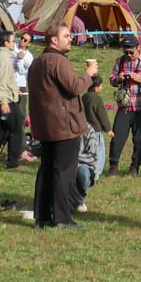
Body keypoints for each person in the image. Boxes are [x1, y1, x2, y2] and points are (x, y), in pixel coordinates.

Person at [27, 22, 98, 229]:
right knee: (64, 173)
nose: (71, 38)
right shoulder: (58, 61)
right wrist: (88, 74)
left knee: (47, 170)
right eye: (66, 35)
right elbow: (75, 88)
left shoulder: (38, 62)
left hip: (45, 126)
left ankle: (43, 217)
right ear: (54, 40)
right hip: (64, 126)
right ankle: (62, 218)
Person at [107, 34, 141, 176]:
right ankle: (113, 167)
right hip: (124, 106)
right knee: (117, 137)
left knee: (138, 139)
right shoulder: (120, 61)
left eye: (131, 51)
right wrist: (119, 79)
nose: (129, 54)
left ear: (138, 48)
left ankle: (135, 167)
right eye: (126, 52)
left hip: (140, 106)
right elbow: (112, 80)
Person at [0, 30, 33, 167]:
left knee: (1, 133)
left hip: (1, 100)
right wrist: (4, 101)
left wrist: (13, 89)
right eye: (13, 40)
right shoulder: (3, 59)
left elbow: (4, 80)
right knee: (16, 129)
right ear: (6, 43)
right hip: (4, 102)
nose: (15, 43)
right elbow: (0, 82)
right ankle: (13, 162)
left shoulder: (1, 56)